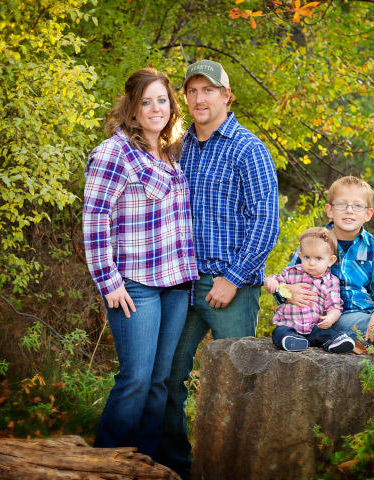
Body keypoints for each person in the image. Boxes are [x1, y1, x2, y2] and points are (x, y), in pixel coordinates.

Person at [158, 59, 279, 478]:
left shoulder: (250, 148)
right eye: (191, 91)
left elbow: (267, 222)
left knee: (237, 382)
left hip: (231, 286)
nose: (198, 98)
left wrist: (232, 278)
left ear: (226, 95)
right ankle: (177, 466)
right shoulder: (179, 146)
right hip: (181, 283)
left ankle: (236, 469)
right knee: (167, 377)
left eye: (208, 90)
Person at [82, 68, 198, 459]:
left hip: (177, 282)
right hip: (135, 284)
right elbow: (95, 220)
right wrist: (108, 282)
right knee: (135, 378)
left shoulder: (172, 150)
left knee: (160, 381)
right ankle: (104, 464)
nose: (155, 108)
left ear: (172, 105)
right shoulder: (112, 153)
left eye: (162, 100)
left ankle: (143, 463)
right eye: (146, 101)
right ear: (131, 109)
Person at [286, 176, 374, 345]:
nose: (349, 210)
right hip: (329, 316)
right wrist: (288, 291)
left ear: (368, 214)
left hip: (367, 312)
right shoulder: (313, 242)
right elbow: (286, 278)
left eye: (357, 206)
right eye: (342, 204)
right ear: (329, 210)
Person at [264, 227, 358, 353]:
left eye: (318, 258)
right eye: (307, 257)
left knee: (327, 333)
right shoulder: (292, 273)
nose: (311, 263)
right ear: (300, 256)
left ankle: (335, 341)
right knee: (279, 332)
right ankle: (292, 341)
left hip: (314, 327)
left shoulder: (331, 282)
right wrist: (270, 282)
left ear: (331, 260)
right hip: (289, 324)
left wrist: (330, 319)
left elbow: (334, 306)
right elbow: (275, 280)